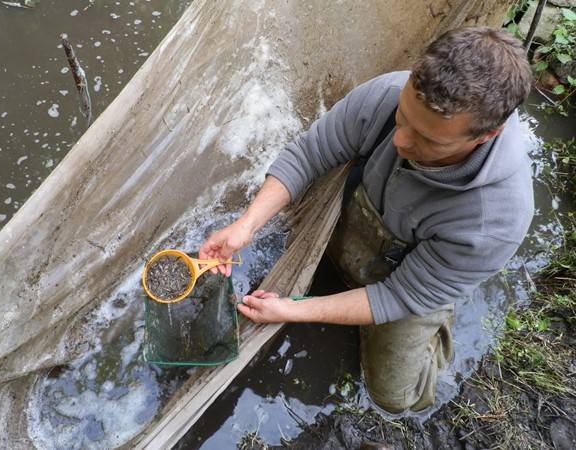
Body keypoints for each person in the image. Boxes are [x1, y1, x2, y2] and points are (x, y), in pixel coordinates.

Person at [199, 27, 533, 412]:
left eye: (428, 140)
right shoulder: (388, 93)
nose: (401, 142)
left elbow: (398, 295)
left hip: (407, 284)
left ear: (487, 135)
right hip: (366, 216)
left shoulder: (494, 220)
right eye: (402, 117)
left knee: (396, 399)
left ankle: (441, 306)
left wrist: (292, 309)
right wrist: (247, 225)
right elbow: (308, 154)